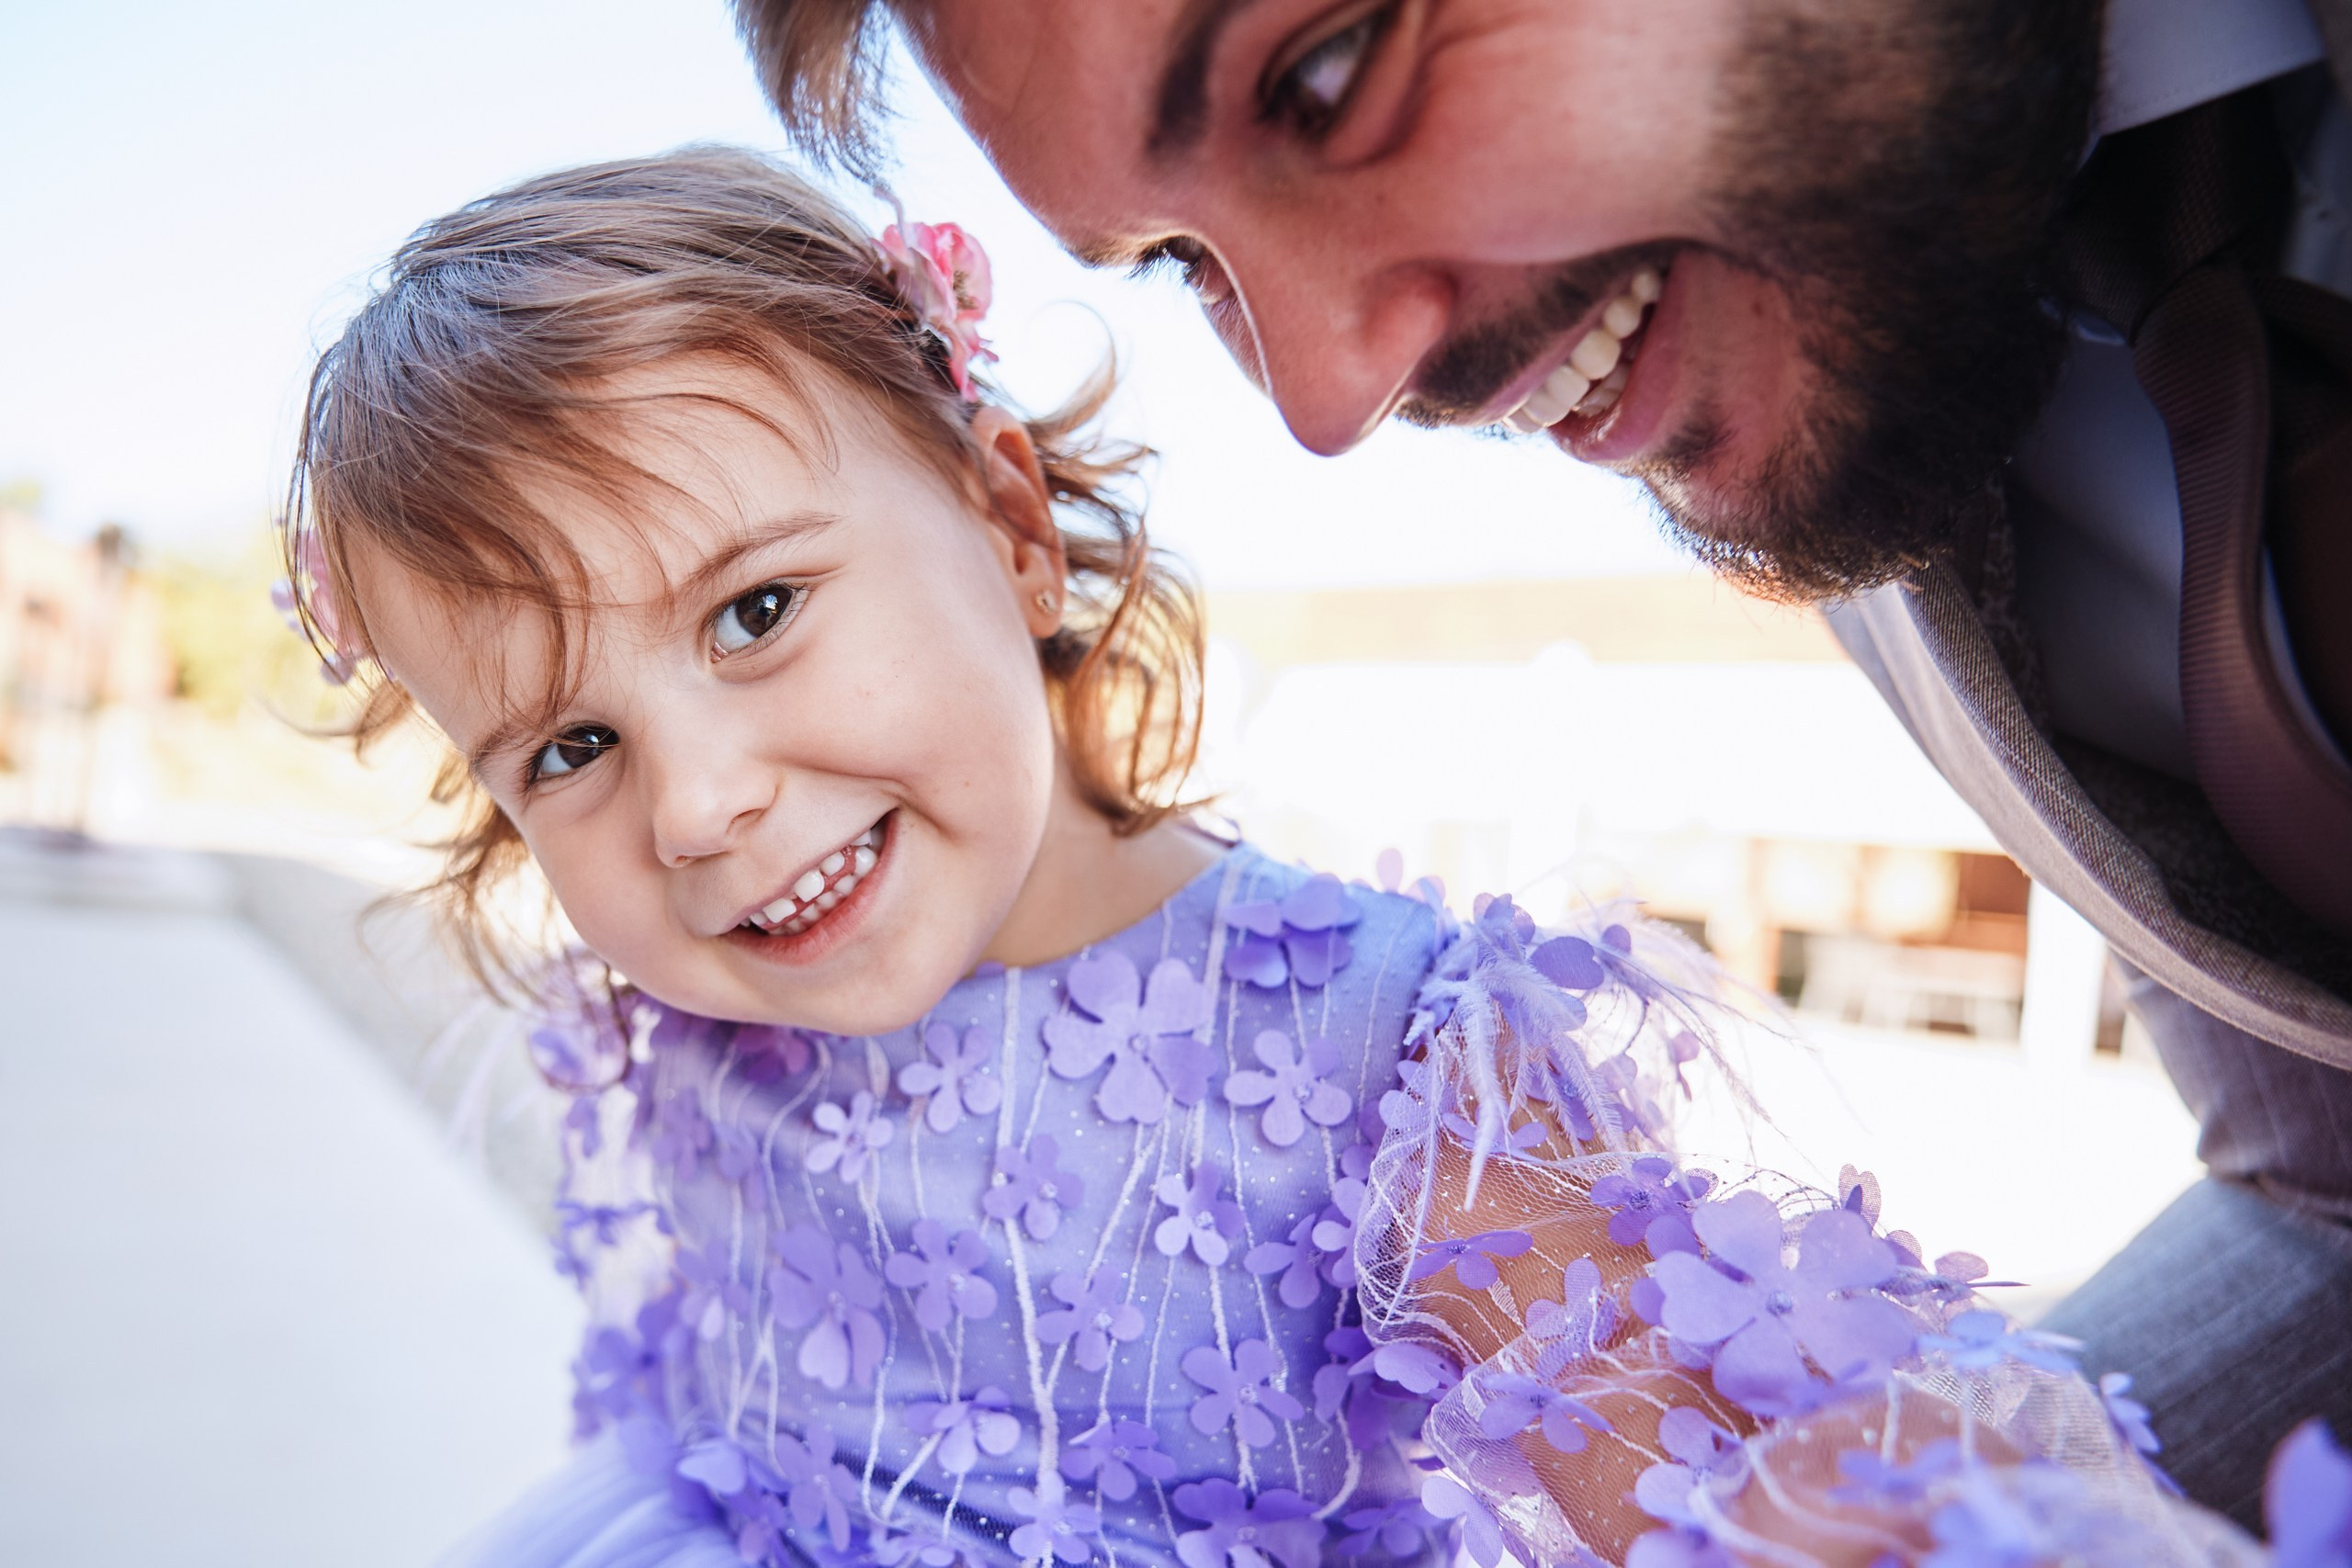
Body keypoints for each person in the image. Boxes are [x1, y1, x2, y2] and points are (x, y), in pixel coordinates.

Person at [279, 148, 2345, 1568]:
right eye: (569, 743)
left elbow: (1725, 1498)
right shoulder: (690, 1017)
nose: (699, 799)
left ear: (1004, 521)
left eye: (753, 612)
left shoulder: (1375, 1058)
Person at [729, 0, 2352, 1527]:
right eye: (1183, 262)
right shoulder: (1844, 376)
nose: (1327, 394)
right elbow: (2319, 1185)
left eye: (1329, 68)